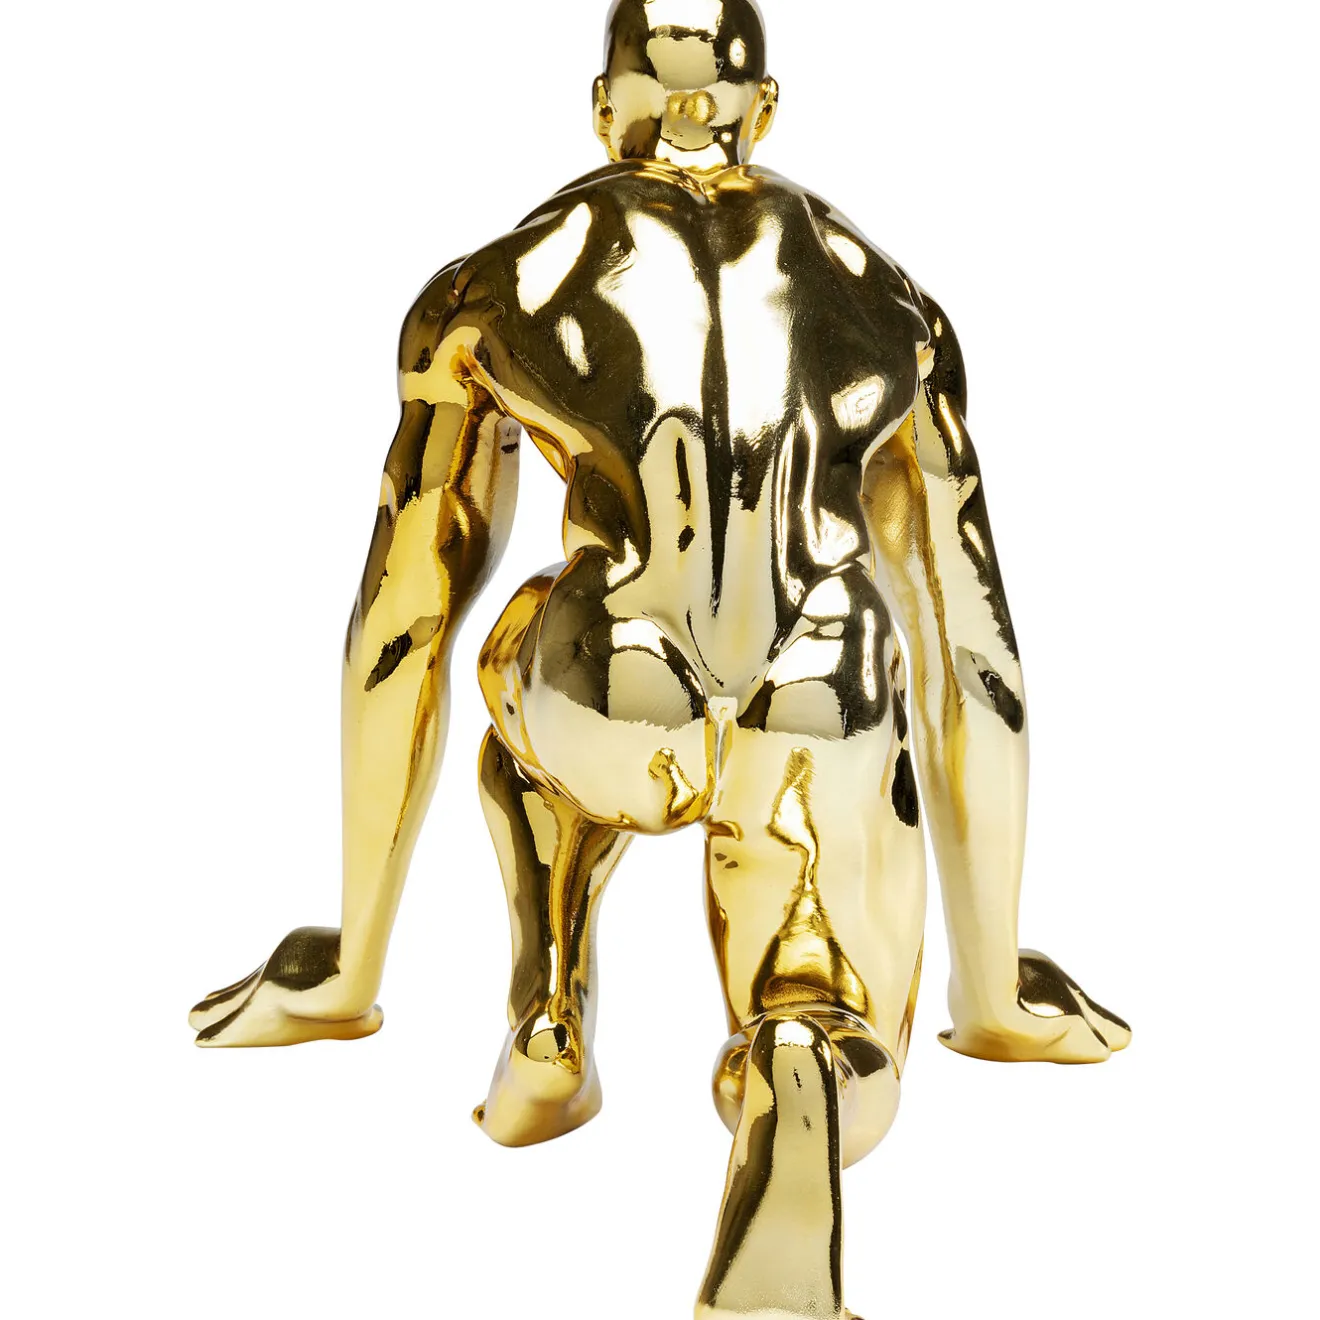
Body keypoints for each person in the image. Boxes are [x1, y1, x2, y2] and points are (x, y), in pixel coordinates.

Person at [190, 3, 1129, 1315]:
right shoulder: (888, 298)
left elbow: (402, 620)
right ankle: (798, 1076)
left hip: (612, 690)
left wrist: (348, 967)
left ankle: (550, 1000)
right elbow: (974, 647)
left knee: (515, 681)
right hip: (823, 694)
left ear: (605, 110)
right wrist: (997, 987)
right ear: (764, 111)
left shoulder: (495, 285)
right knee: (826, 994)